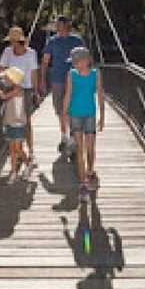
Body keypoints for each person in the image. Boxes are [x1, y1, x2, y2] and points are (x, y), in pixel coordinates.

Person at [0, 26, 39, 170]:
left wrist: (36, 92)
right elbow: (1, 69)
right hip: (10, 89)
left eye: (12, 41)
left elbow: (34, 73)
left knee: (25, 122)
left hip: (26, 90)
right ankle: (18, 153)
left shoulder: (31, 53)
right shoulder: (8, 52)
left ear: (18, 41)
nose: (11, 44)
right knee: (14, 122)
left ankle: (30, 151)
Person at [62, 46, 105, 201]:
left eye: (76, 61)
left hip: (90, 115)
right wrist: (63, 115)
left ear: (86, 61)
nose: (74, 64)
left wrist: (103, 116)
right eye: (73, 62)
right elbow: (68, 94)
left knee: (90, 149)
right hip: (75, 115)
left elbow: (100, 94)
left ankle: (90, 171)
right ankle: (83, 185)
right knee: (79, 150)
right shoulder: (71, 74)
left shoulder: (96, 73)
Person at [40, 15, 84, 150]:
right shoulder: (52, 41)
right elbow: (45, 61)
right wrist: (42, 80)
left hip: (74, 79)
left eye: (58, 25)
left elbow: (85, 59)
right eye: (56, 25)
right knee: (59, 109)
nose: (56, 27)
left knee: (73, 109)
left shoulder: (77, 40)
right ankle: (64, 135)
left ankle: (71, 137)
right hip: (57, 80)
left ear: (66, 25)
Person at [0, 66, 27, 183]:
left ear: (13, 80)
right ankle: (14, 172)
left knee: (18, 148)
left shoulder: (18, 89)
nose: (6, 79)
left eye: (8, 78)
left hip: (18, 123)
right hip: (10, 122)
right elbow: (3, 82)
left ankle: (28, 163)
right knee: (12, 149)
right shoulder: (12, 87)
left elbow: (4, 96)